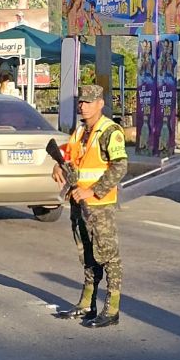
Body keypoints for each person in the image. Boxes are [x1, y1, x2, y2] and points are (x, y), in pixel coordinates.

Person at [52, 84, 128, 329]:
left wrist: (93, 190)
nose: (82, 106)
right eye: (80, 102)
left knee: (108, 256)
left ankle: (112, 308)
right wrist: (58, 166)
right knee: (87, 255)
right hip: (78, 202)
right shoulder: (81, 131)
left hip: (99, 205)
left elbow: (120, 166)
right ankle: (87, 302)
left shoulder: (109, 131)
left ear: (100, 103)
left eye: (87, 102)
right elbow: (71, 155)